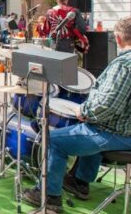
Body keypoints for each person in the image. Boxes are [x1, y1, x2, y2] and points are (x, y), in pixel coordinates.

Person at [23, 16, 131, 212]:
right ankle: (79, 182)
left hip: (120, 135)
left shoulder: (124, 65)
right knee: (89, 128)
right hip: (123, 131)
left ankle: (49, 195)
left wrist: (84, 111)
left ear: (117, 38)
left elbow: (108, 106)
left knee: (54, 139)